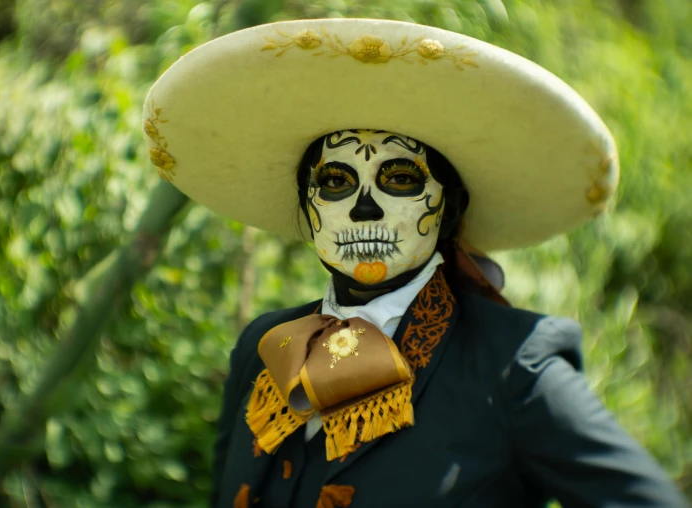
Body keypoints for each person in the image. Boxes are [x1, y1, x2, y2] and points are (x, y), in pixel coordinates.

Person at [142, 19, 689, 508]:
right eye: (335, 181)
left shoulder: (513, 365)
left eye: (399, 178)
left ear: (448, 211)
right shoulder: (264, 347)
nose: (363, 206)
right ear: (309, 212)